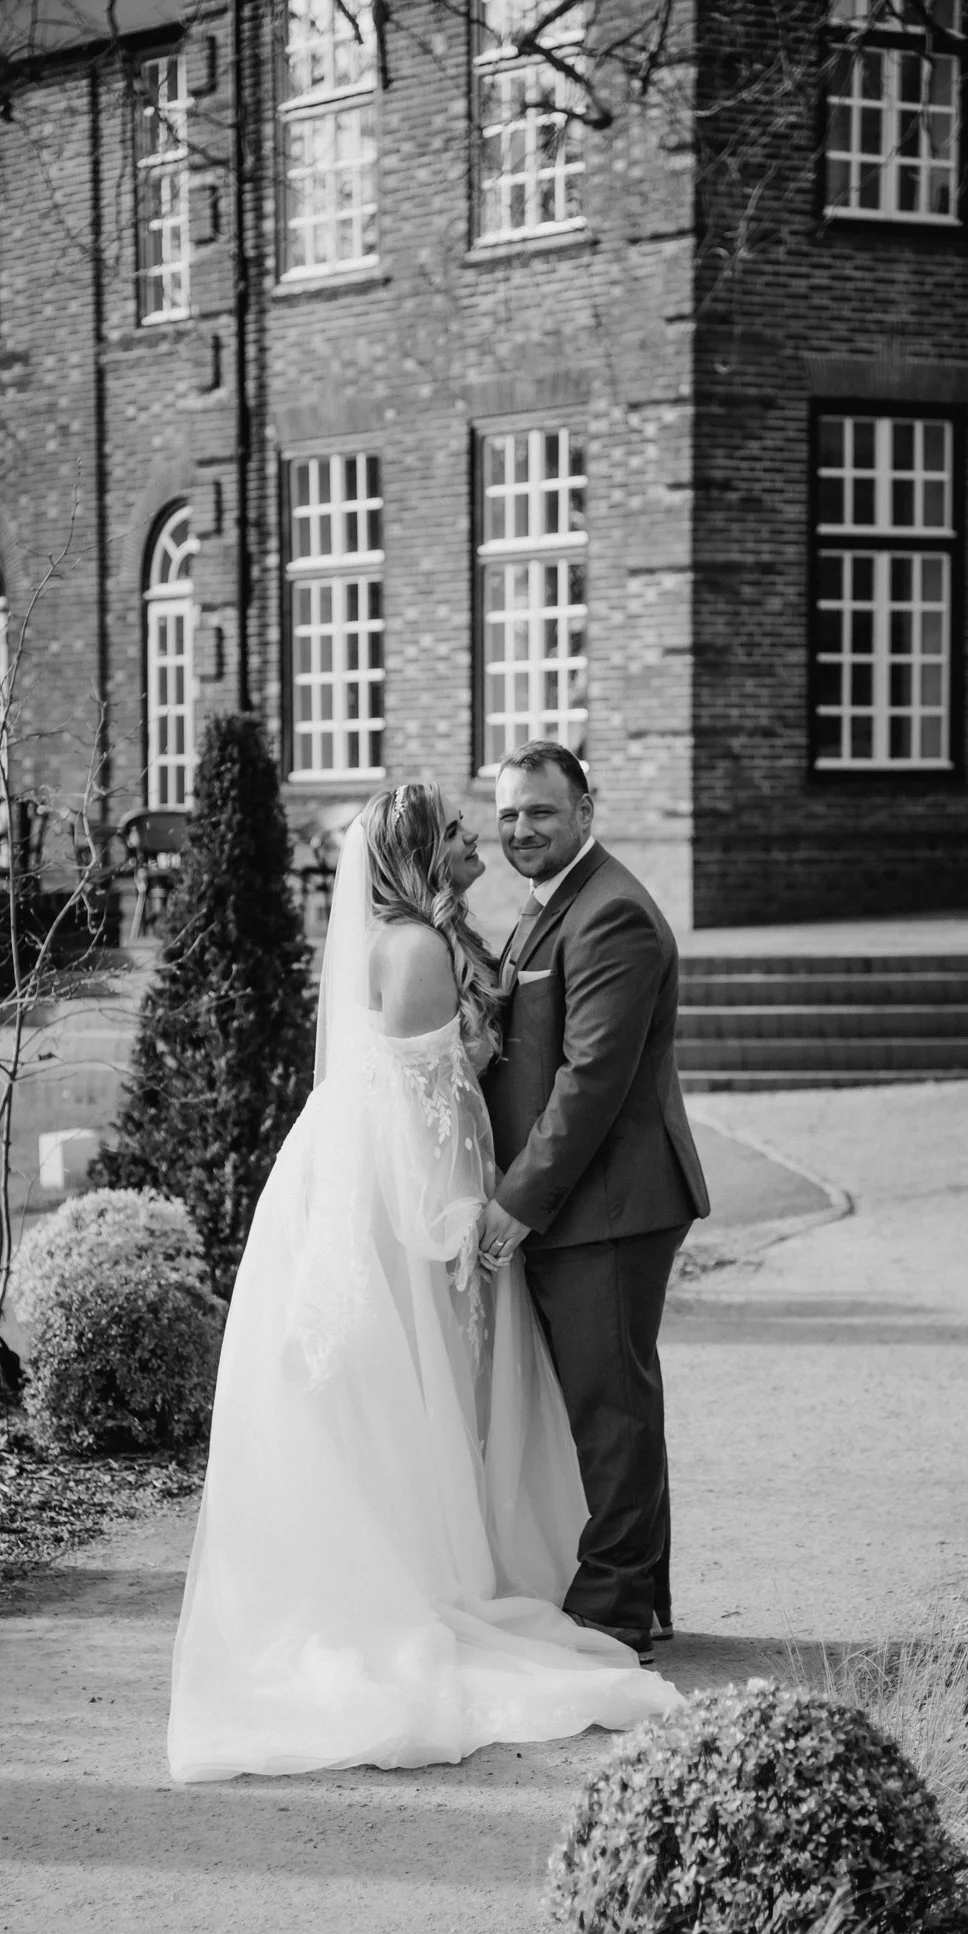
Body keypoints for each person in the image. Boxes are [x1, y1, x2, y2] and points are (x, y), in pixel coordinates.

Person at [167, 781, 680, 1783]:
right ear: (417, 854)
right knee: (425, 1393)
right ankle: (480, 1580)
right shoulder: (418, 949)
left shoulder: (423, 938)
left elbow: (434, 1080)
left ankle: (572, 1581)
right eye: (458, 830)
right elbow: (421, 1107)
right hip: (402, 1197)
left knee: (422, 1396)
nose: (480, 835)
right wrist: (456, 1221)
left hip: (371, 1185)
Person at [480, 742, 711, 1660]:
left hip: (610, 1203)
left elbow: (590, 1084)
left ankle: (613, 1612)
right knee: (609, 1400)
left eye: (539, 811)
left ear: (585, 810)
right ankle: (638, 1596)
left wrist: (514, 1202)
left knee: (609, 1408)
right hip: (587, 1203)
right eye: (507, 816)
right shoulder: (551, 907)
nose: (521, 830)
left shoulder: (611, 914)